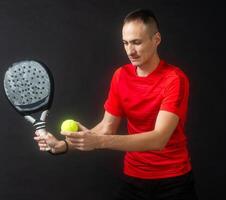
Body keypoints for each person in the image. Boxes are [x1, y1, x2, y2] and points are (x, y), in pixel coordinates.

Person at [34, 8, 198, 200]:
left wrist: (100, 142)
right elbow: (106, 127)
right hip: (134, 179)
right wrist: (63, 145)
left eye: (137, 42)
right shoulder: (121, 76)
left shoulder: (174, 79)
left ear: (156, 39)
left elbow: (158, 139)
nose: (130, 50)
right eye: (126, 43)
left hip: (174, 181)